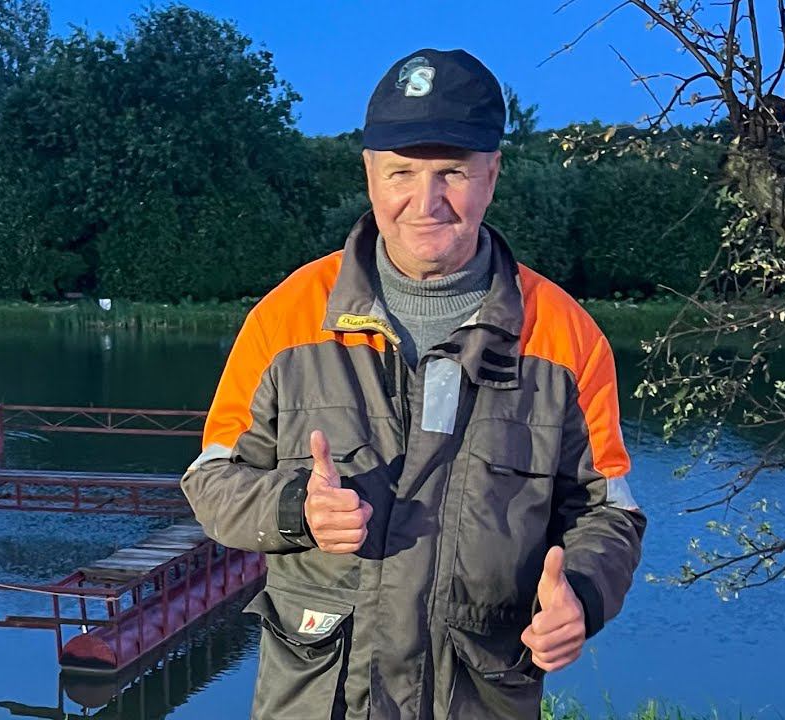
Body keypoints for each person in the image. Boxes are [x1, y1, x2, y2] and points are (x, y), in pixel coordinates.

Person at [181, 48, 647, 719]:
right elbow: (211, 480)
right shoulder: (286, 318)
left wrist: (582, 594)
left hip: (480, 696)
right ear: (369, 172)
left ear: (492, 173)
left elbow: (609, 512)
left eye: (451, 172)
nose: (425, 203)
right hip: (317, 696)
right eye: (401, 172)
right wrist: (296, 510)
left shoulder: (566, 337)